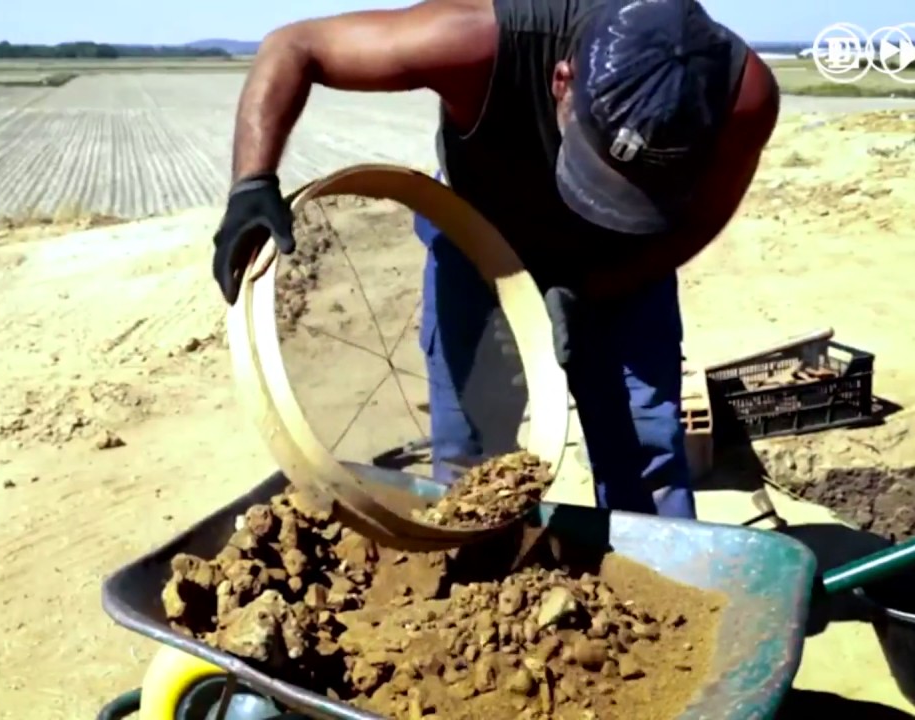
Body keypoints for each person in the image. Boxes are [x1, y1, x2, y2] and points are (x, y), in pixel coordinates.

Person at [209, 0, 779, 519]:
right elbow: (294, 45)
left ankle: (666, 592)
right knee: (471, 459)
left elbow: (701, 220)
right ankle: (478, 591)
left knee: (644, 445)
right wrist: (250, 184)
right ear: (563, 81)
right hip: (480, 246)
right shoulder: (476, 41)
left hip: (627, 267)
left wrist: (599, 287)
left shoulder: (744, 95)